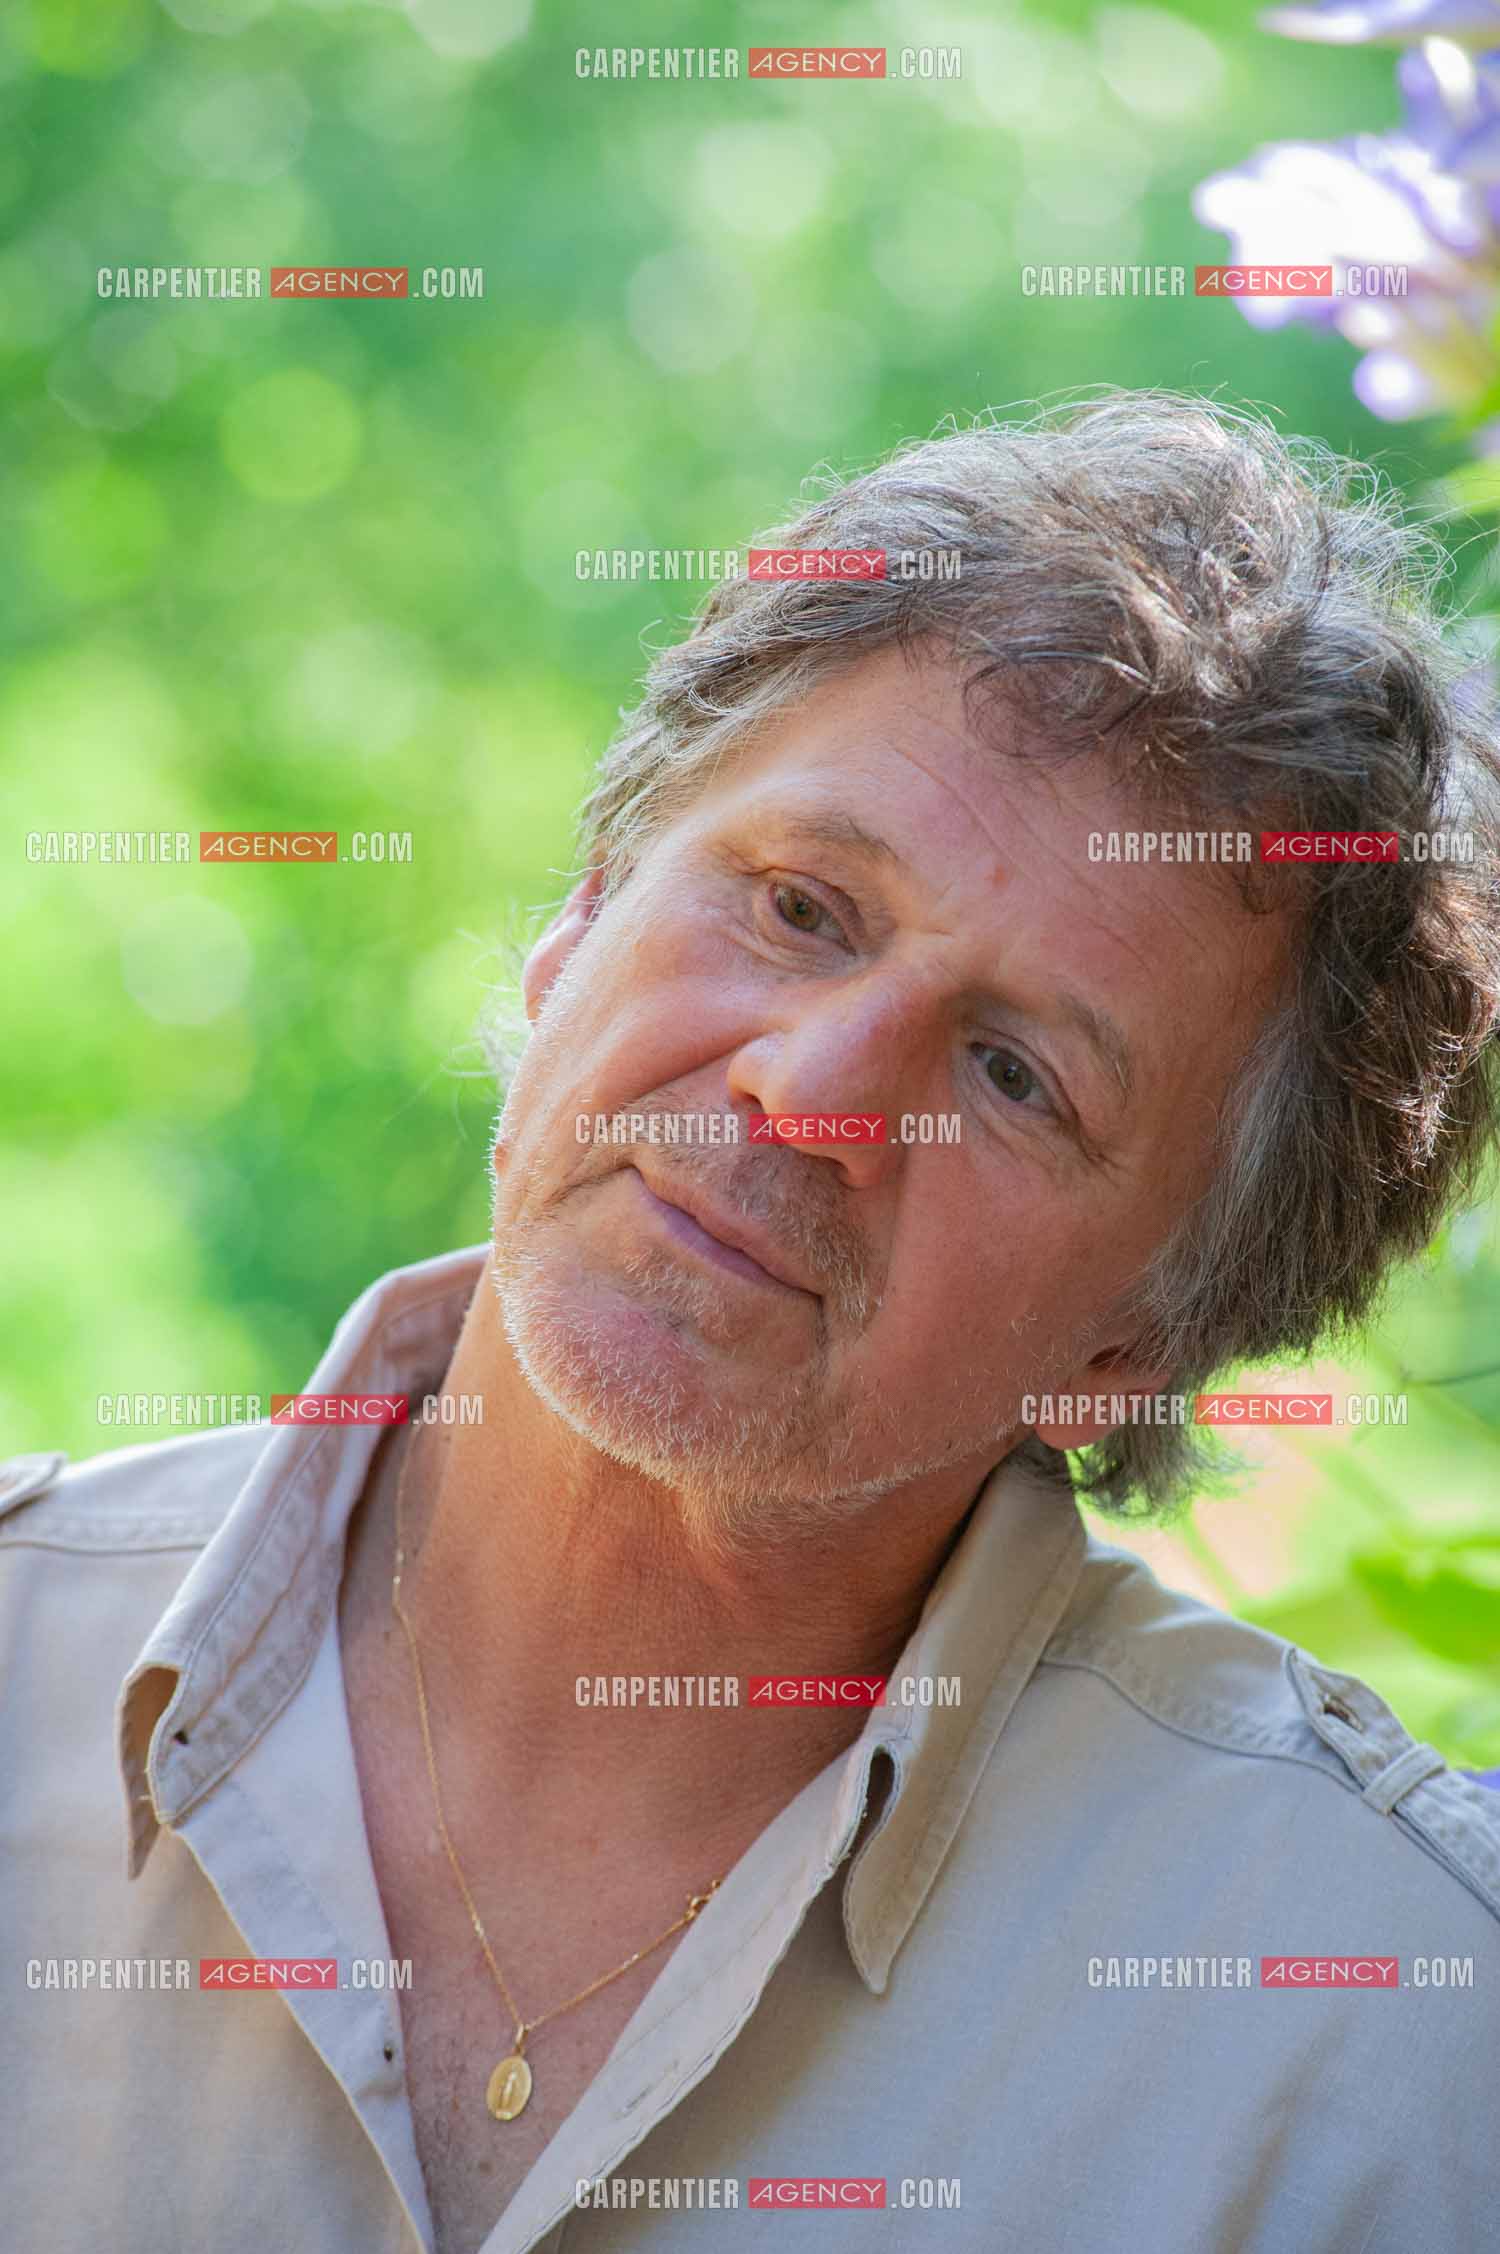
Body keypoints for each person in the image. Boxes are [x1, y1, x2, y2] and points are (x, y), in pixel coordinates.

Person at [5, 393, 1498, 2254]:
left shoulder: (1386, 2052)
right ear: (583, 912)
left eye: (1017, 1075)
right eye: (799, 906)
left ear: (1147, 1340)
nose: (815, 1091)